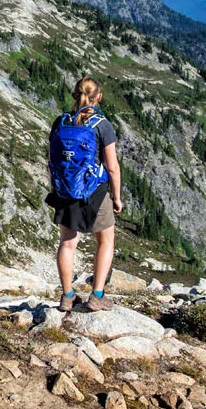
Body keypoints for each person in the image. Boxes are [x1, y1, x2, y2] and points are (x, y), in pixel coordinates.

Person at [47, 76, 123, 312]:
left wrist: (55, 188)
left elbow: (51, 161)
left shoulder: (61, 122)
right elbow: (112, 167)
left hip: (65, 190)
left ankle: (67, 296)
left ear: (74, 95)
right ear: (98, 97)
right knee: (105, 240)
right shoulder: (102, 125)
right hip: (95, 193)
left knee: (68, 243)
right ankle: (97, 295)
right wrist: (117, 197)